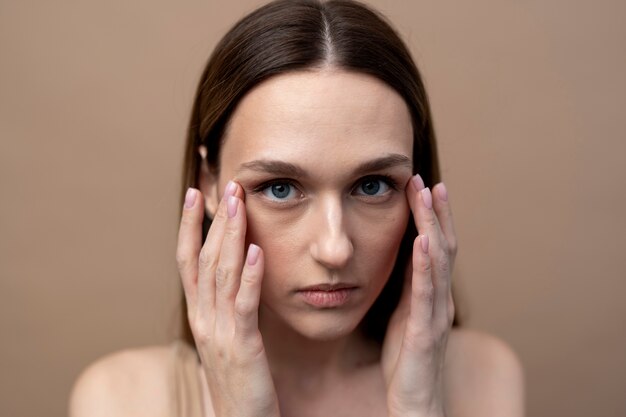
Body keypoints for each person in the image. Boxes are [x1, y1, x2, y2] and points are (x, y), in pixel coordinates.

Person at [69, 1, 524, 416]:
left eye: (372, 185)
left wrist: (418, 407)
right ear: (207, 182)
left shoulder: (486, 378)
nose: (335, 249)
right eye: (281, 188)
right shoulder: (119, 399)